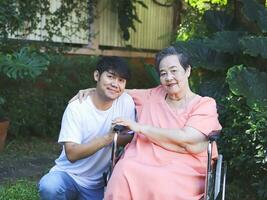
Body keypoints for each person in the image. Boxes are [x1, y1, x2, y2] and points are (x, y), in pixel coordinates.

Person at [73, 46, 222, 200]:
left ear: (187, 71)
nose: (169, 77)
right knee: (124, 170)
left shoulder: (204, 104)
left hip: (185, 166)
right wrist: (94, 90)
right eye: (163, 73)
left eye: (174, 70)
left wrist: (140, 128)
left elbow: (187, 137)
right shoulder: (152, 95)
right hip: (143, 156)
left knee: (161, 181)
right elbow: (120, 91)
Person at [38, 56, 136, 200]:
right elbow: (72, 153)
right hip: (69, 176)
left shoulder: (125, 101)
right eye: (110, 77)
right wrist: (108, 138)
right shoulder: (77, 107)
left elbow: (131, 136)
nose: (115, 84)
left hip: (99, 183)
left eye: (121, 80)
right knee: (49, 186)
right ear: (97, 75)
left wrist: (115, 139)